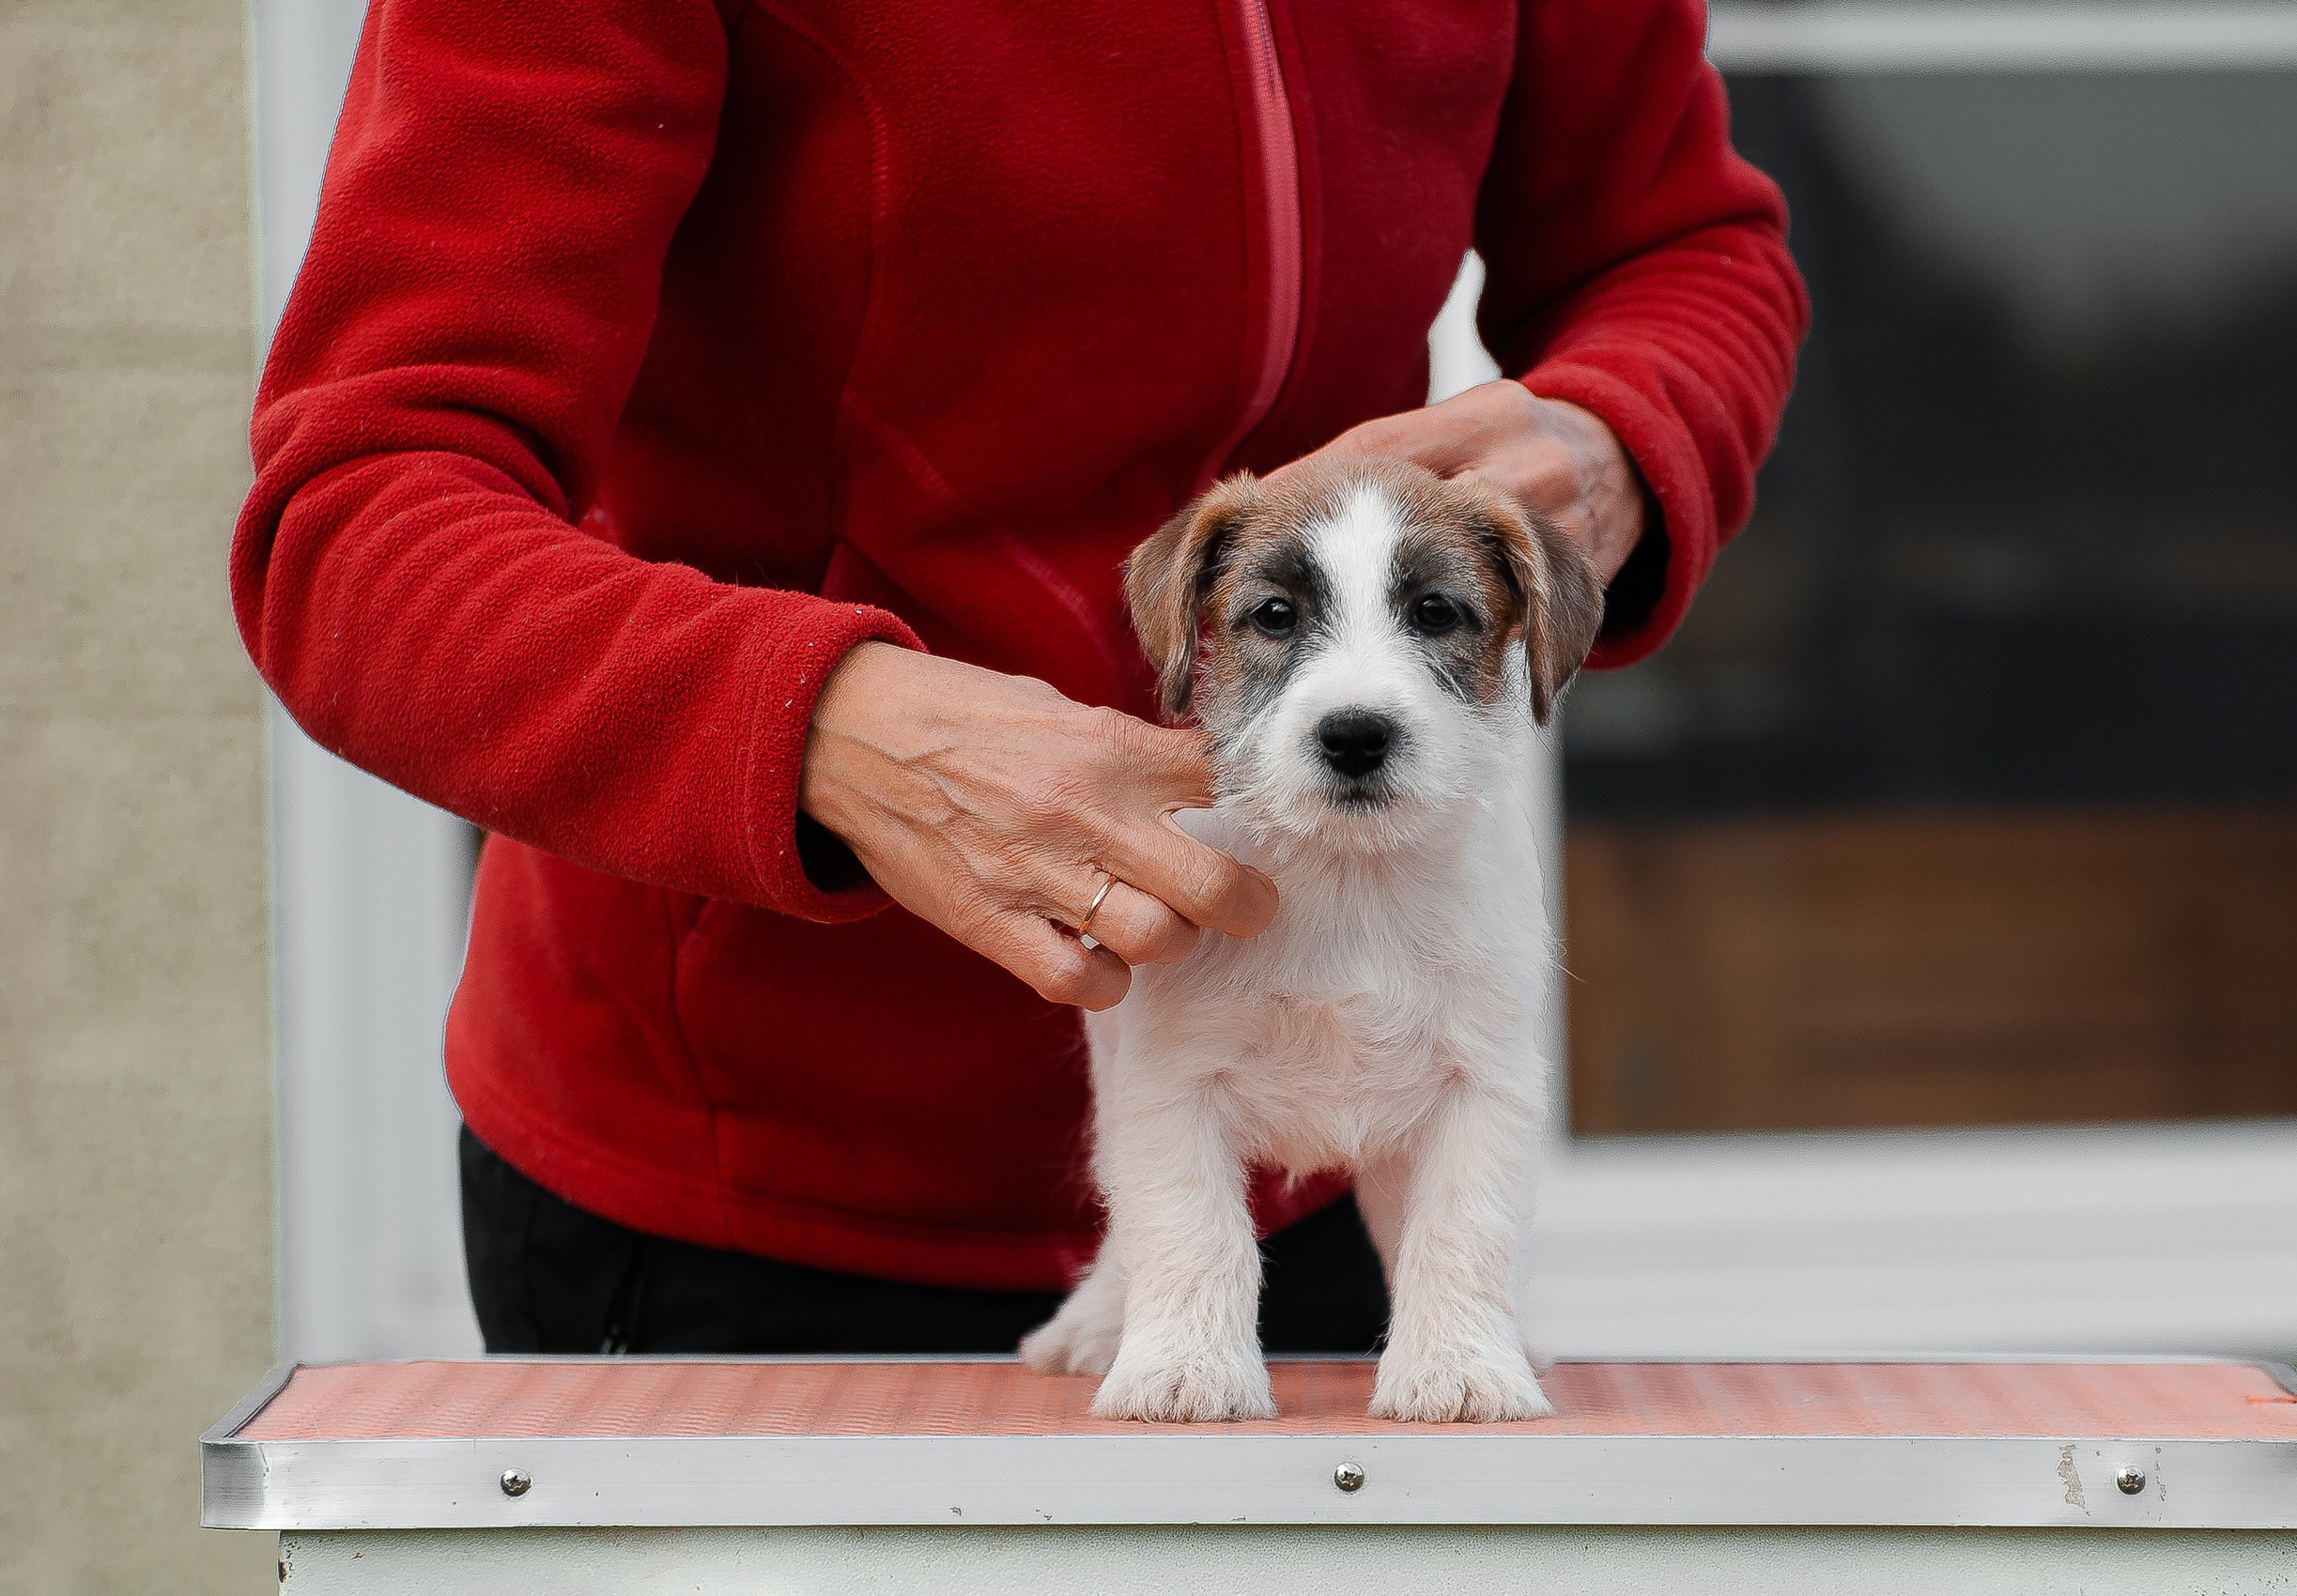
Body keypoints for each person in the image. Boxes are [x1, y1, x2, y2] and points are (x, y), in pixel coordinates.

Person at [233, 0, 1806, 1355]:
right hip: (756, 1188)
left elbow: (1683, 243)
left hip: (1309, 1137)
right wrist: (826, 728)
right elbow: (357, 517)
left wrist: (1612, 436)